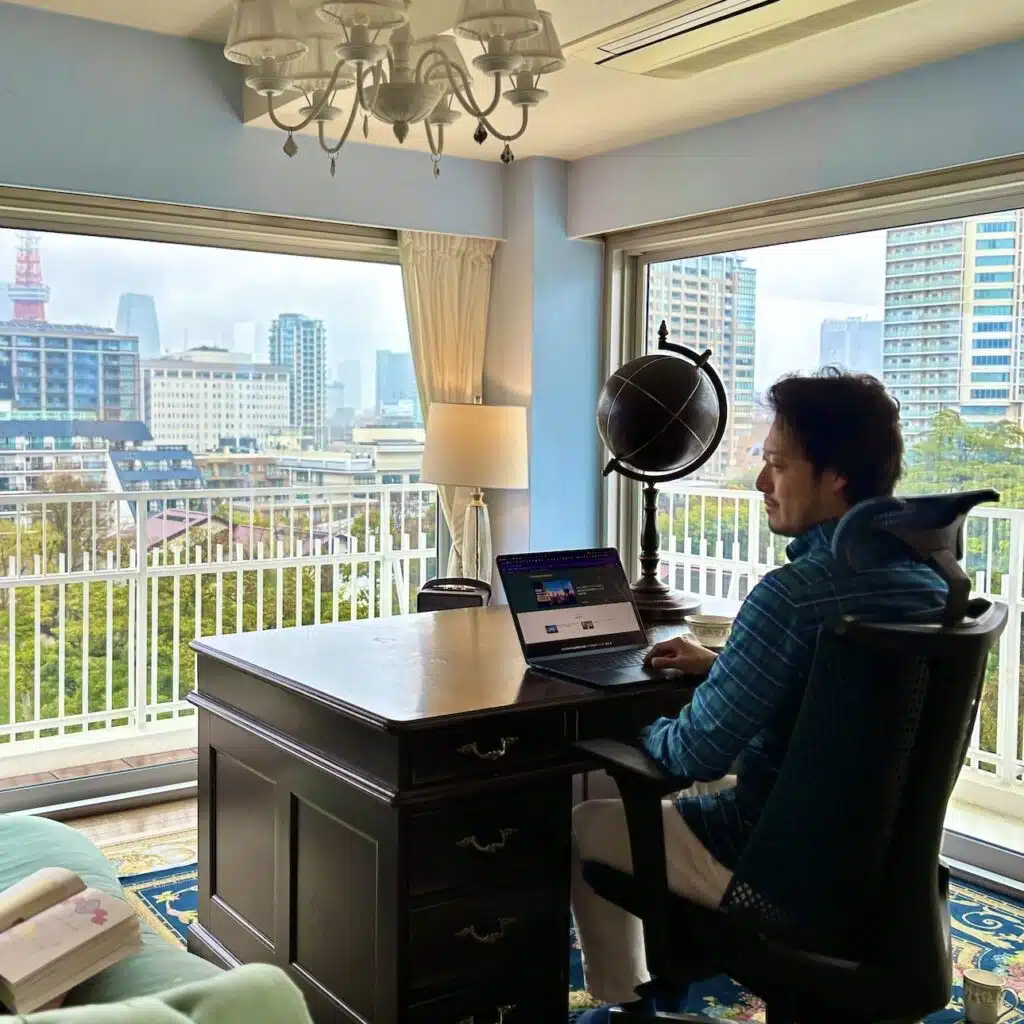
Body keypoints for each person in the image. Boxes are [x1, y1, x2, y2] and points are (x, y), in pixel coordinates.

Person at [572, 369, 949, 1022]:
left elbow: (693, 754)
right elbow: (842, 687)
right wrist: (728, 664)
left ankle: (626, 1004)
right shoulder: (931, 585)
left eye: (777, 464)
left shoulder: (793, 595)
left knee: (587, 822)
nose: (760, 483)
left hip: (775, 873)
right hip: (882, 870)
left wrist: (638, 728)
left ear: (836, 477)